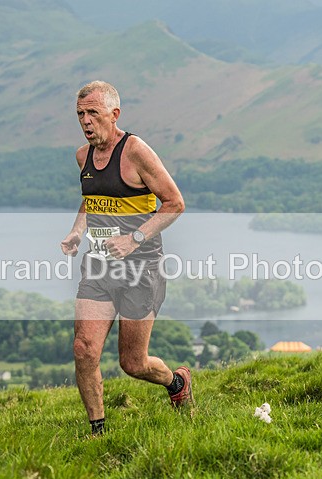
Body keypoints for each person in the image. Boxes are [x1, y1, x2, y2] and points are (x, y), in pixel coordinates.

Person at [60, 80, 191, 435]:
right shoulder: (82, 157)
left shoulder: (135, 151)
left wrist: (134, 238)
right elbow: (93, 198)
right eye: (80, 114)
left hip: (141, 268)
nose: (85, 121)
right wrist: (77, 230)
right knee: (84, 349)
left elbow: (174, 203)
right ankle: (98, 432)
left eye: (93, 113)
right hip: (99, 266)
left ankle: (177, 383)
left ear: (114, 114)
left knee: (133, 363)